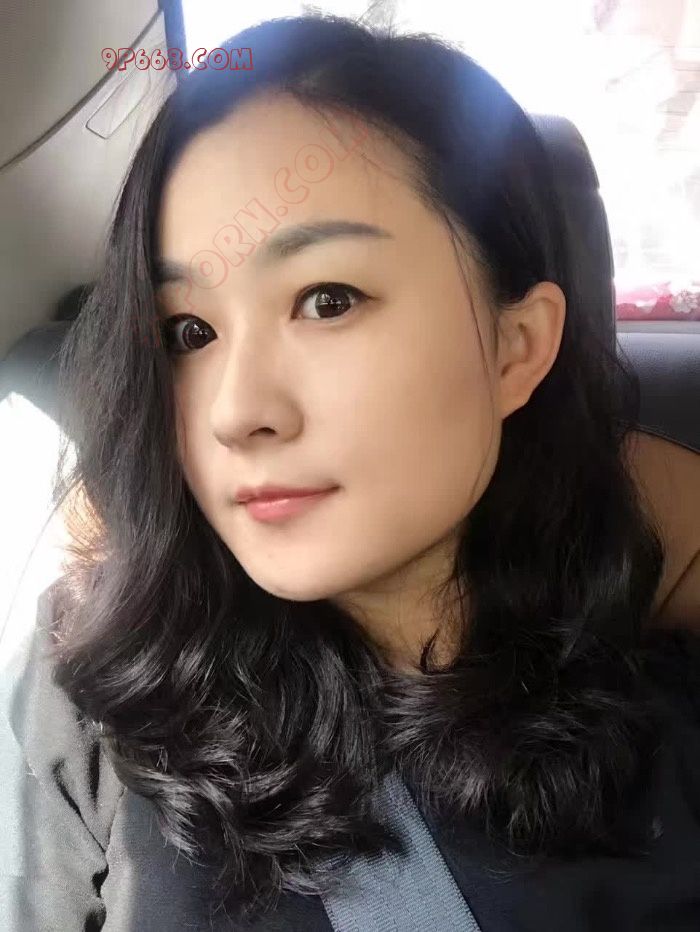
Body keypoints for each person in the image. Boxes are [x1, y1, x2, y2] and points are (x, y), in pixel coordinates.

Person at [4, 13, 700, 931]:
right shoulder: (97, 682)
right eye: (188, 332)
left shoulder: (662, 716)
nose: (234, 412)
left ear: (516, 346)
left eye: (327, 300)